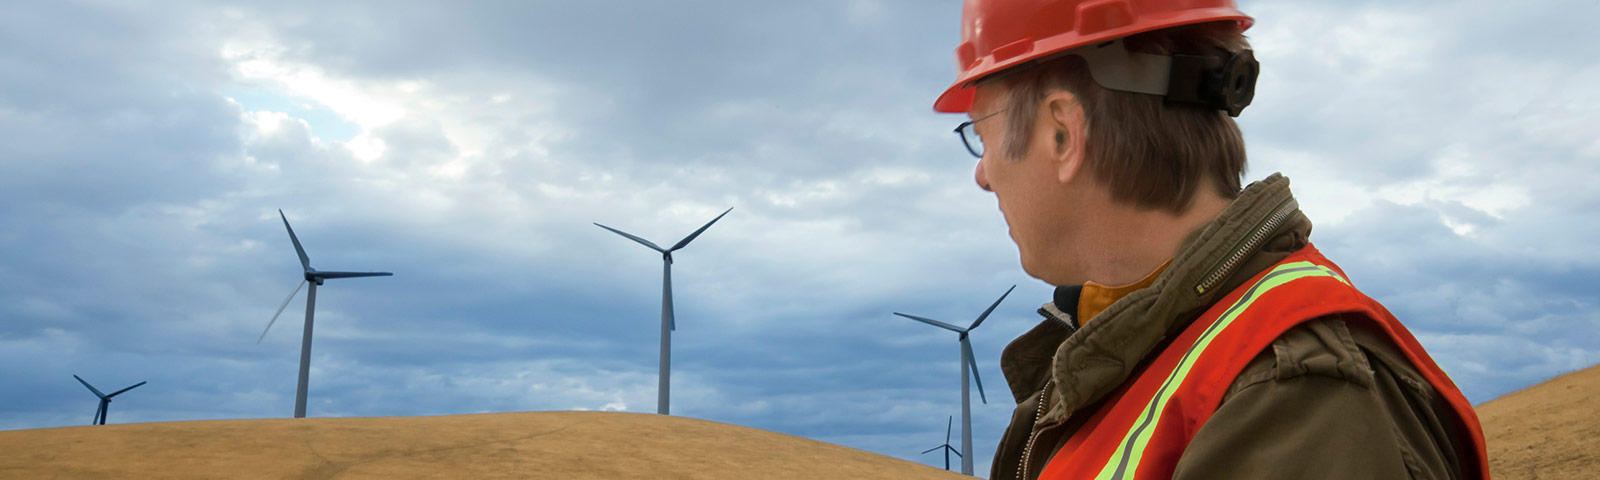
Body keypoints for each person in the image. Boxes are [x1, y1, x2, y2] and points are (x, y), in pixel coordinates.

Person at [930, 1, 1490, 478]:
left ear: (1062, 133)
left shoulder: (1294, 394)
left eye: (980, 134)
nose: (982, 175)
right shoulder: (1147, 356)